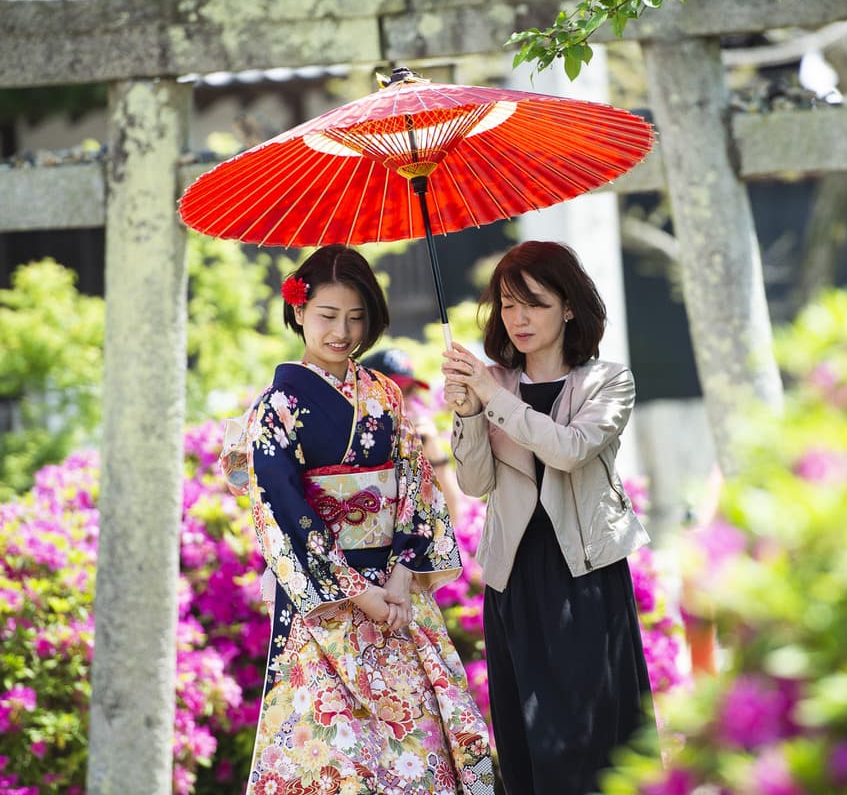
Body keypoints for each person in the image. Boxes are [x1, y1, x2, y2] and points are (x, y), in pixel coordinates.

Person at [236, 244, 494, 795]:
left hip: (396, 594)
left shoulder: (384, 394)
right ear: (299, 310)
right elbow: (284, 511)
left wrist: (401, 576)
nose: (342, 331)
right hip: (325, 601)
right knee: (332, 756)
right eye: (328, 316)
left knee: (419, 741)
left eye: (356, 317)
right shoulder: (274, 407)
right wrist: (360, 594)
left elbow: (414, 483)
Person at [440, 240, 652, 795]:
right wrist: (467, 413)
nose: (518, 318)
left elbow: (570, 449)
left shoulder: (608, 382)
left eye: (533, 302)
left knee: (594, 733)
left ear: (569, 307)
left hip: (584, 576)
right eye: (508, 305)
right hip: (515, 576)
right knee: (526, 732)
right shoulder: (494, 384)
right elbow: (475, 483)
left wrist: (493, 398)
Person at [363, 346, 465, 524]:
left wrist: (434, 455)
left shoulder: (415, 445)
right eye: (394, 391)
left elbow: (454, 519)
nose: (405, 401)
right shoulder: (354, 445)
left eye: (409, 391)